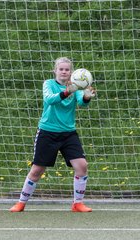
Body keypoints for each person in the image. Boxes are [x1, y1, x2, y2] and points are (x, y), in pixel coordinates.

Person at [10, 57, 96, 213]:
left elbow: (82, 103)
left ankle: (77, 204)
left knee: (82, 166)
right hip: (47, 132)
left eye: (67, 69)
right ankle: (21, 203)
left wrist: (87, 96)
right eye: (61, 69)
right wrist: (65, 92)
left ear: (71, 72)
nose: (64, 72)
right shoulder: (48, 84)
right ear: (55, 70)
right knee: (37, 170)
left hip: (68, 133)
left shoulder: (75, 86)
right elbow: (49, 100)